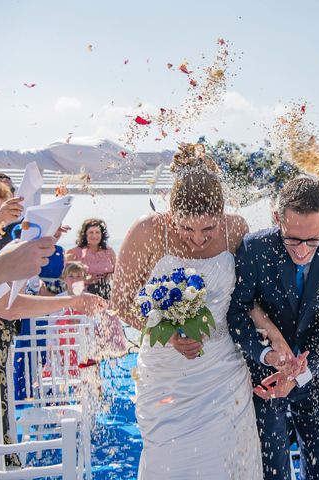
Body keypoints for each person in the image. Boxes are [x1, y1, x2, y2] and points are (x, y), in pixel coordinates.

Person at [109, 144, 264, 479]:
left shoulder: (236, 229)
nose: (197, 240)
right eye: (187, 228)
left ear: (221, 214)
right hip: (165, 374)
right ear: (170, 212)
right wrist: (163, 330)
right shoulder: (147, 231)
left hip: (223, 370)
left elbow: (248, 300)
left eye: (208, 230)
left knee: (225, 459)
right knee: (171, 461)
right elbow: (121, 301)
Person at [227, 176, 319, 480]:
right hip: (267, 381)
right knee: (273, 469)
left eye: (313, 241)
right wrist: (266, 355)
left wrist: (303, 368)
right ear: (277, 219)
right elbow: (237, 311)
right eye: (292, 240)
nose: (302, 251)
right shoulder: (255, 248)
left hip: (318, 373)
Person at [66, 218, 116, 299]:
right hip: (85, 293)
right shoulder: (74, 253)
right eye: (91, 232)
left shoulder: (109, 251)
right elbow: (66, 277)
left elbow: (117, 272)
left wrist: (110, 276)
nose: (94, 236)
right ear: (85, 235)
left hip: (108, 289)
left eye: (97, 232)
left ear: (102, 234)